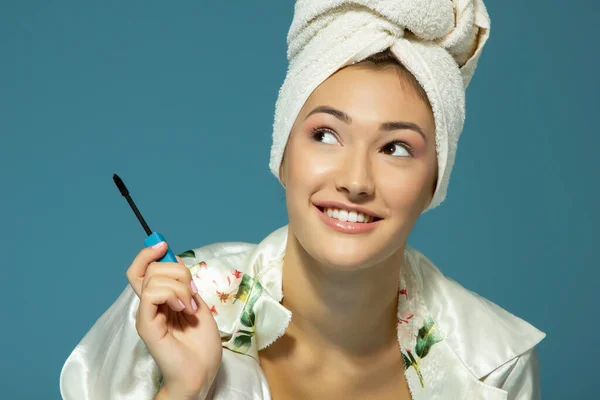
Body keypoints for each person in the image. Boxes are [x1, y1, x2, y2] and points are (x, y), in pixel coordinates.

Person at [60, 1, 546, 399]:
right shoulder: (169, 309)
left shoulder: (494, 364)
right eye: (326, 135)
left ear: (433, 183)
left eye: (395, 148)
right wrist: (185, 388)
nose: (356, 181)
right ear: (283, 156)